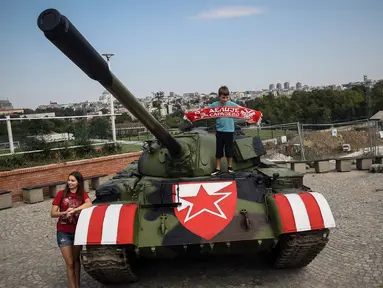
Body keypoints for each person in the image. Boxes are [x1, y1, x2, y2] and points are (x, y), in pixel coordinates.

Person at [51, 171, 92, 288]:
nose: (70, 182)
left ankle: (77, 285)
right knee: (69, 263)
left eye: (73, 180)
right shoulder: (61, 194)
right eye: (69, 180)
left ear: (78, 182)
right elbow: (53, 213)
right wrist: (65, 212)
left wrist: (75, 210)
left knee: (76, 260)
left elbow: (89, 204)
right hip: (63, 232)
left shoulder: (82, 194)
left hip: (77, 231)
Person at [209, 85, 240, 176]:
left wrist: (254, 116)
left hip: (229, 131)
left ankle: (229, 167)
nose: (225, 99)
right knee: (219, 151)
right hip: (219, 131)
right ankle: (218, 169)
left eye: (227, 97)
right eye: (223, 97)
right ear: (219, 96)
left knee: (229, 150)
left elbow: (242, 110)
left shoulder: (231, 104)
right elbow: (205, 111)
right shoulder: (215, 105)